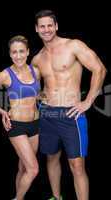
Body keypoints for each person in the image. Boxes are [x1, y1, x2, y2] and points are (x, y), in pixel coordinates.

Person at [31, 10, 107, 200]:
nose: (46, 29)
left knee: (77, 165)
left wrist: (88, 101)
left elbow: (100, 69)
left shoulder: (73, 46)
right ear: (36, 29)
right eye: (42, 26)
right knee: (51, 157)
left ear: (56, 26)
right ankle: (56, 197)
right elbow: (32, 88)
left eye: (50, 25)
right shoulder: (37, 59)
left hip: (71, 114)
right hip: (47, 114)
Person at [0, 35, 41, 200]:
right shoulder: (5, 75)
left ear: (28, 52)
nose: (18, 55)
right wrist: (2, 111)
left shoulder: (35, 71)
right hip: (17, 126)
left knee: (23, 168)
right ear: (10, 54)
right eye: (14, 52)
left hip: (36, 125)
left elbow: (37, 96)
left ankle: (17, 194)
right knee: (33, 169)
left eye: (21, 51)